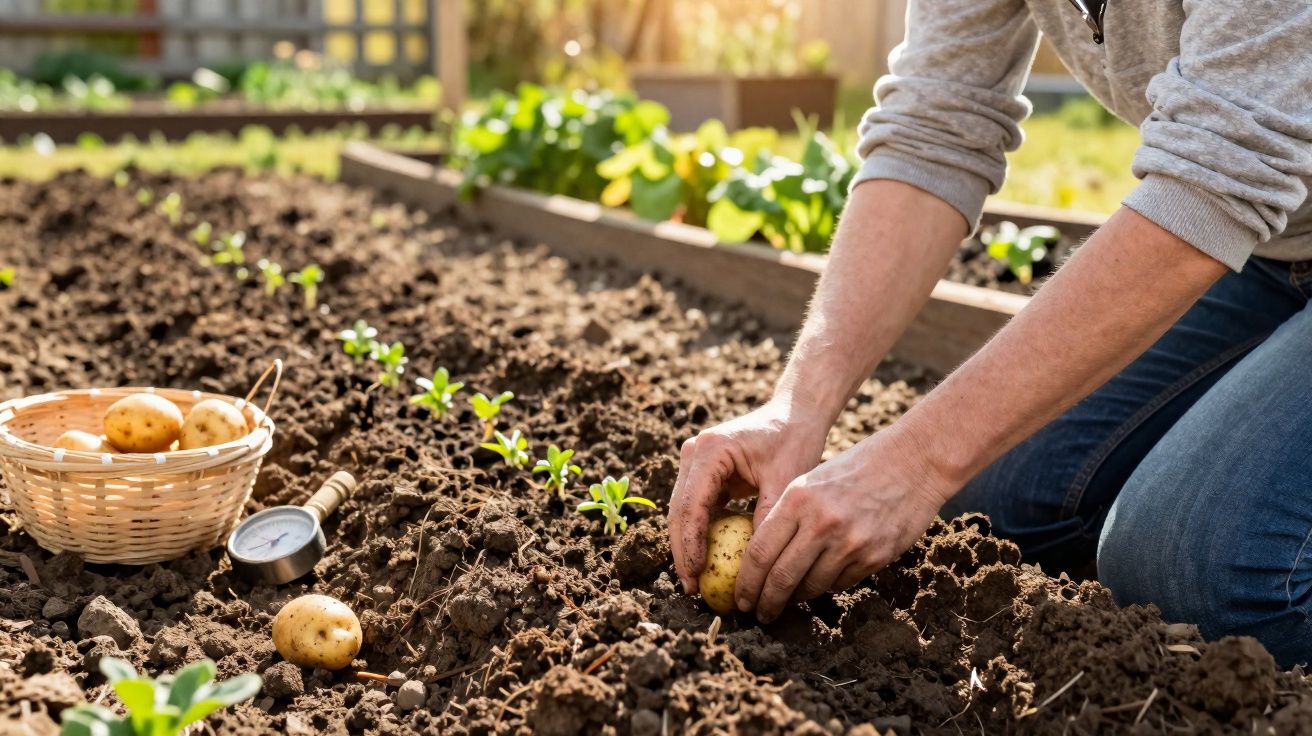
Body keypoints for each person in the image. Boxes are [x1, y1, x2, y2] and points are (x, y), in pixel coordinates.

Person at [667, 0, 1312, 667]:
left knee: (1205, 570)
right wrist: (796, 408)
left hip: (1246, 208)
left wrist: (914, 463)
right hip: (1269, 249)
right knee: (998, 504)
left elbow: (1223, 165)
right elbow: (936, 123)